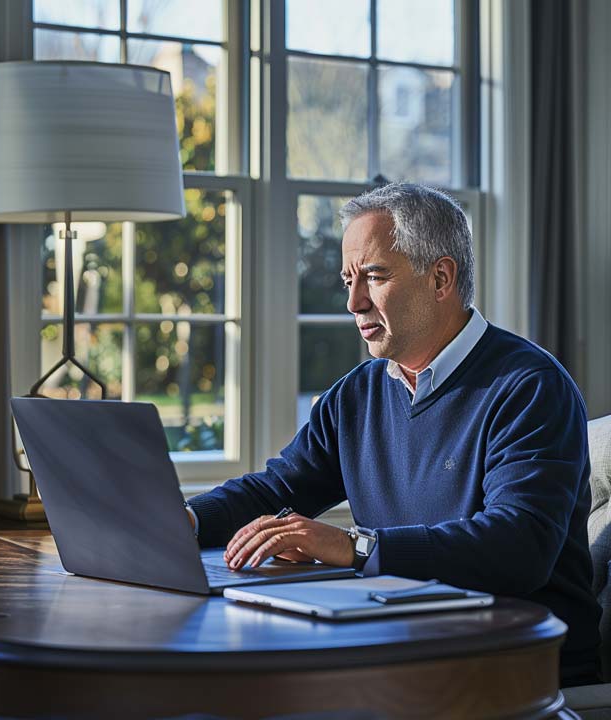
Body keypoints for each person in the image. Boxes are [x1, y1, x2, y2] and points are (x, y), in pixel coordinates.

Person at [183, 182, 602, 686]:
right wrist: (182, 521)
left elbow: (519, 547)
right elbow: (276, 490)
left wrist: (356, 547)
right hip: (401, 651)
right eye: (347, 280)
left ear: (441, 278)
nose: (353, 302)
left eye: (374, 277)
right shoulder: (355, 394)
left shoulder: (531, 388)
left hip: (514, 669)